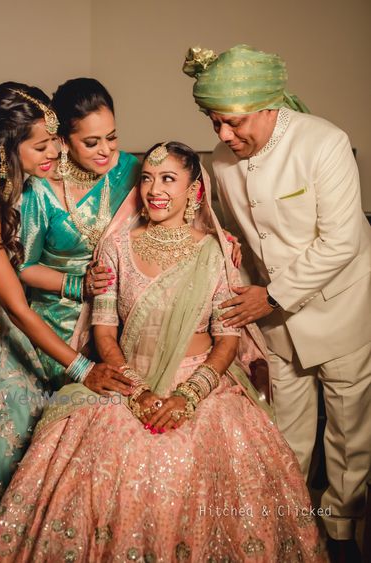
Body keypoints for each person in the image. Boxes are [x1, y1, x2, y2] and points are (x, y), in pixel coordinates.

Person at [0, 142, 325, 562]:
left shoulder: (216, 252)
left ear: (194, 189)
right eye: (146, 178)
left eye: (168, 179)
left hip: (202, 384)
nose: (154, 189)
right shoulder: (116, 247)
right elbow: (104, 332)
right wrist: (137, 391)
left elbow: (227, 338)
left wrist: (189, 395)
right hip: (127, 377)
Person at [0, 82, 126, 562]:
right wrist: (83, 369)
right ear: (5, 148)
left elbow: (14, 274)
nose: (55, 152)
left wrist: (79, 286)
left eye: (56, 139)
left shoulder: (4, 181)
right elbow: (16, 304)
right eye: (41, 145)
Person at [183, 44, 371, 559]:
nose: (222, 136)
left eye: (231, 122)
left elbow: (342, 242)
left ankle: (340, 528)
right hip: (273, 319)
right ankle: (290, 529)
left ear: (269, 106)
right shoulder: (222, 161)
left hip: (339, 308)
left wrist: (272, 295)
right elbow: (237, 242)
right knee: (283, 429)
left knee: (349, 432)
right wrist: (239, 295)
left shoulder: (325, 142)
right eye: (213, 122)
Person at [19, 78, 140, 387]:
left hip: (118, 320)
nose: (106, 150)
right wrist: (78, 285)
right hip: (57, 326)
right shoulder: (41, 188)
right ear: (63, 140)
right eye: (92, 142)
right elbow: (24, 267)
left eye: (111, 138)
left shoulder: (128, 169)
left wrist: (221, 241)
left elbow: (168, 212)